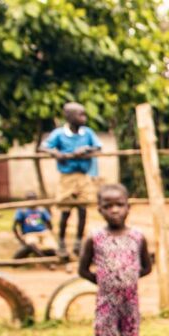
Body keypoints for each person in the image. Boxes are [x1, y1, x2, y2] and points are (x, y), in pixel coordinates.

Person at [77, 184, 157, 336]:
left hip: (130, 305)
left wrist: (127, 282)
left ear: (128, 207)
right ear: (99, 209)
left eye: (119, 205)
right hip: (105, 306)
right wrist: (105, 284)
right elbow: (83, 269)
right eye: (108, 206)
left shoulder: (137, 237)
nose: (114, 210)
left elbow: (146, 267)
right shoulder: (95, 238)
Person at [40, 102, 102, 256]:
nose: (84, 118)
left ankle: (78, 243)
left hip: (83, 176)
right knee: (65, 211)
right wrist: (55, 153)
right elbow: (44, 146)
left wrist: (87, 149)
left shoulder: (87, 133)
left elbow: (98, 146)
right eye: (81, 115)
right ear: (69, 117)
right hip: (66, 177)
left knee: (83, 210)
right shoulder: (59, 134)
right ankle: (61, 242)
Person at [12, 193, 59, 259]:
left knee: (54, 249)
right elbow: (14, 226)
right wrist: (20, 239)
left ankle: (45, 256)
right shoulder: (22, 210)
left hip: (43, 233)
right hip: (30, 234)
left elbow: (49, 223)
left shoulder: (41, 210)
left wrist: (49, 232)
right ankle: (47, 262)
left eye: (34, 199)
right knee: (32, 244)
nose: (32, 202)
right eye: (30, 200)